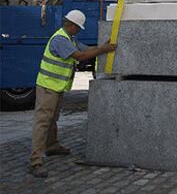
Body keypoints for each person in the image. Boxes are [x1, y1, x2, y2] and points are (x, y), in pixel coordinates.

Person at [28, 9, 117, 178]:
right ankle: (35, 161)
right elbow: (81, 56)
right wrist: (103, 49)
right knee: (43, 121)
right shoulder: (60, 40)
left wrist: (102, 47)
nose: (78, 30)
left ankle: (52, 146)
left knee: (52, 118)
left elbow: (86, 49)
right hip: (48, 86)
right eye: (78, 27)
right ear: (72, 25)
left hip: (56, 86)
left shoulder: (70, 38)